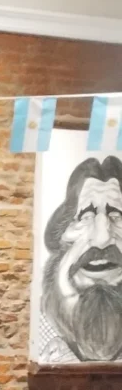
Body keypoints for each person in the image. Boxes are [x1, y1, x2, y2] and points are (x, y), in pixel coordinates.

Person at [36, 155, 122, 362]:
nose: (102, 239)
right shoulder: (36, 330)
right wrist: (65, 303)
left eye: (117, 216)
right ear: (62, 235)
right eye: (84, 217)